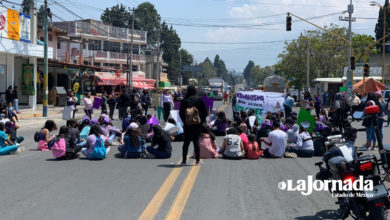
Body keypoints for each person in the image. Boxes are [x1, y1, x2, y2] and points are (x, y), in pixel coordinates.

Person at [179, 85, 208, 165]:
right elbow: (205, 112)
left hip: (187, 124)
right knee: (196, 142)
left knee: (186, 142)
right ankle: (197, 161)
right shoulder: (200, 99)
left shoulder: (184, 100)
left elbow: (180, 113)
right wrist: (200, 121)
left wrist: (185, 121)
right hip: (197, 124)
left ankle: (184, 160)